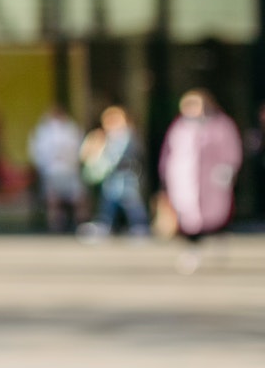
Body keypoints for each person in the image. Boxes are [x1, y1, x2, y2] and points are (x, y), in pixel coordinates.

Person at [160, 90, 242, 272]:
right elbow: (169, 152)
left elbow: (231, 149)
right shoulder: (179, 127)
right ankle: (192, 250)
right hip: (184, 180)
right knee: (188, 217)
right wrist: (165, 174)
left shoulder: (221, 124)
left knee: (215, 215)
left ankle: (218, 240)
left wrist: (227, 170)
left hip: (211, 180)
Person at [82, 105, 149, 237]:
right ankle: (104, 225)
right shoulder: (109, 136)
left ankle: (140, 226)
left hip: (126, 175)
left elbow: (117, 156)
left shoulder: (127, 135)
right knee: (108, 202)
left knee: (131, 202)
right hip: (113, 176)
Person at [28, 106, 83, 233]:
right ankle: (58, 225)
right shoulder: (45, 130)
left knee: (73, 200)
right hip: (55, 170)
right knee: (54, 200)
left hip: (64, 170)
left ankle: (71, 224)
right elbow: (38, 151)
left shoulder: (70, 129)